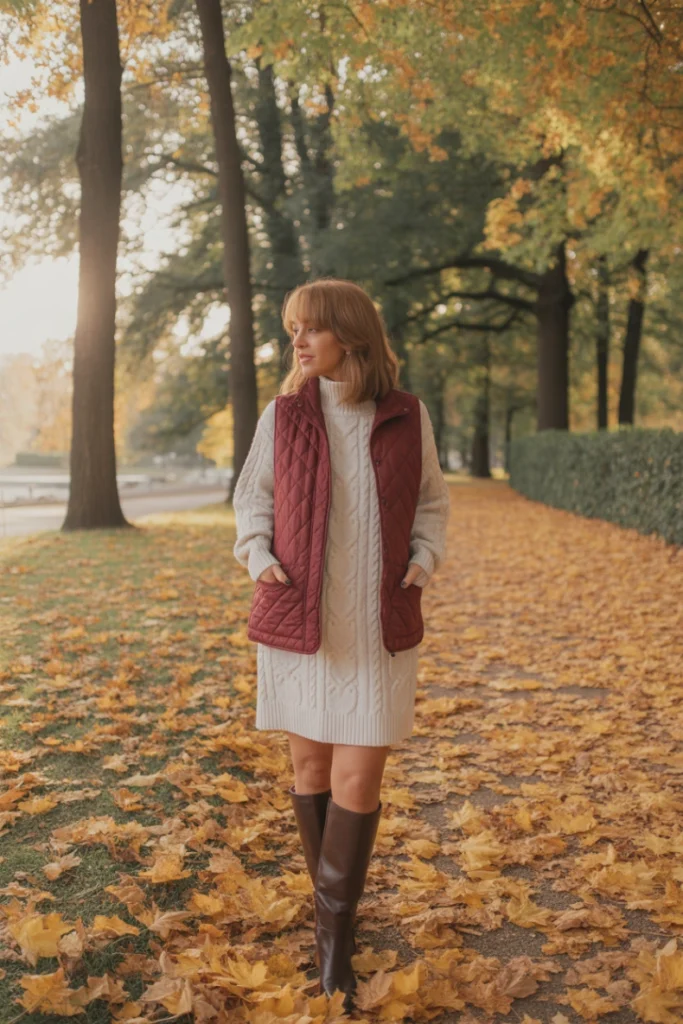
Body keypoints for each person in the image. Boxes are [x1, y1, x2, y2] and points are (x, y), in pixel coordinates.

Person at [232, 277, 450, 1010]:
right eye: (293, 328)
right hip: (301, 621)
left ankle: (334, 948)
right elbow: (252, 499)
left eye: (310, 328)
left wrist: (421, 563)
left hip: (377, 625)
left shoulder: (405, 415)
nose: (297, 341)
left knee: (358, 781)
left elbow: (431, 501)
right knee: (308, 767)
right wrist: (260, 559)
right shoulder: (285, 414)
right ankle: (334, 919)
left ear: (350, 336)